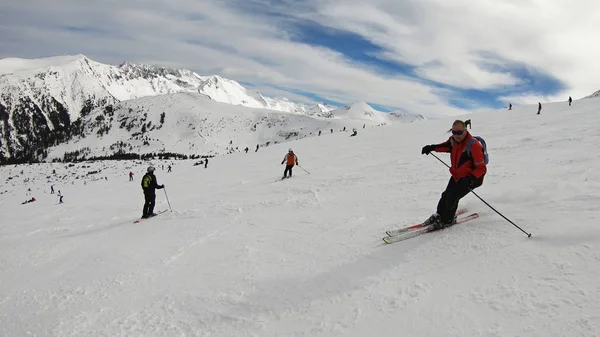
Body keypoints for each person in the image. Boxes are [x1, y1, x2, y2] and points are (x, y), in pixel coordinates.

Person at [420, 120, 487, 230]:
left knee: (452, 197)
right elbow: (445, 146)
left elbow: (482, 168)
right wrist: (431, 147)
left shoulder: (473, 145)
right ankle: (439, 215)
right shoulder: (453, 141)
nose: (456, 135)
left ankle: (447, 220)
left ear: (465, 131)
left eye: (459, 132)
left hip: (471, 179)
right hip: (457, 176)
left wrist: (470, 178)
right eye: (454, 132)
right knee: (445, 195)